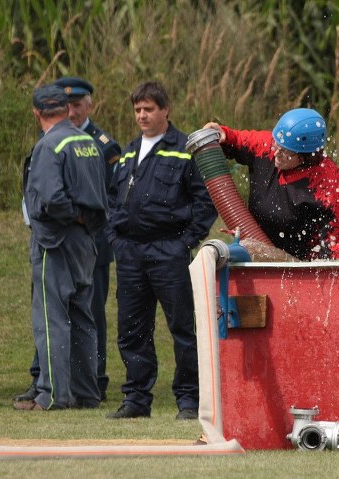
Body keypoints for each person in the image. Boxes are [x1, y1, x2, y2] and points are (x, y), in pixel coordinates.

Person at [105, 81, 217, 420]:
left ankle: (188, 401)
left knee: (181, 328)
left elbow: (205, 200)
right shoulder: (127, 150)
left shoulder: (185, 149)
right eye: (137, 109)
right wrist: (116, 238)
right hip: (130, 253)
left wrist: (186, 242)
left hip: (169, 251)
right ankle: (137, 400)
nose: (142, 115)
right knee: (132, 328)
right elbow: (113, 197)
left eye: (149, 109)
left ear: (165, 111)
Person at [13, 77, 120, 404]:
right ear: (63, 107)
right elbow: (102, 195)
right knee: (84, 318)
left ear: (36, 112)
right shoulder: (88, 142)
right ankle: (86, 393)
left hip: (55, 243)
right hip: (86, 242)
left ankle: (53, 394)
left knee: (51, 319)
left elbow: (53, 199)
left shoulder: (49, 145)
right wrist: (84, 219)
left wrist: (69, 215)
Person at [202, 108, 339, 260]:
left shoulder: (326, 184)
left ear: (306, 157)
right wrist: (221, 132)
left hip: (299, 266)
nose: (275, 153)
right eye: (276, 145)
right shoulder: (270, 146)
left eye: (285, 152)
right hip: (254, 247)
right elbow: (235, 139)